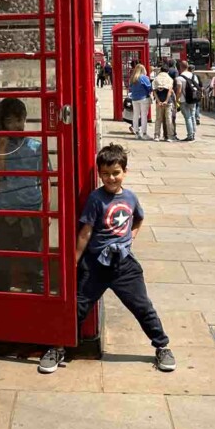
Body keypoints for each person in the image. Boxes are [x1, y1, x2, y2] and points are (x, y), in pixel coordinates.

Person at [38, 143, 176, 374]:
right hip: (95, 265)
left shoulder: (130, 198)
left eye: (116, 173)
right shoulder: (96, 198)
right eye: (105, 174)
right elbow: (86, 232)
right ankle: (58, 347)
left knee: (142, 307)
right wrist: (73, 260)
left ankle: (162, 345)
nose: (111, 178)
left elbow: (138, 219)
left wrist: (129, 239)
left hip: (124, 265)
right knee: (78, 307)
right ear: (99, 174)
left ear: (125, 172)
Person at [0, 98, 43, 293]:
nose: (16, 126)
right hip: (6, 210)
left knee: (34, 259)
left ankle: (39, 294)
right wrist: (3, 147)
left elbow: (46, 180)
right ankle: (0, 294)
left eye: (19, 120)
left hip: (31, 210)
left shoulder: (36, 146)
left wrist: (47, 209)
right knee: (2, 258)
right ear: (2, 123)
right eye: (10, 121)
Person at [175, 60, 200, 141]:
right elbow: (196, 87)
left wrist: (176, 100)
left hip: (183, 100)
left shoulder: (179, 78)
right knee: (192, 116)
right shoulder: (194, 76)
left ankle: (190, 135)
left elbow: (179, 91)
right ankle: (193, 134)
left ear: (181, 67)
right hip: (193, 99)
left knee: (188, 117)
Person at [128, 62, 152, 140]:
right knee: (144, 116)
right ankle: (144, 133)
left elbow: (130, 88)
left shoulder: (132, 78)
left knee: (135, 115)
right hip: (143, 98)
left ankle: (136, 133)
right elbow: (149, 87)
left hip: (134, 99)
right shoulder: (144, 77)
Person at [152, 64, 175, 142]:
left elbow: (154, 91)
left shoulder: (156, 79)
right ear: (167, 71)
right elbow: (169, 91)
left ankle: (156, 136)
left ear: (160, 70)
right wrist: (166, 101)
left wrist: (158, 101)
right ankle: (169, 136)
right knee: (168, 119)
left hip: (159, 102)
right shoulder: (170, 79)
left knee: (158, 119)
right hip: (168, 102)